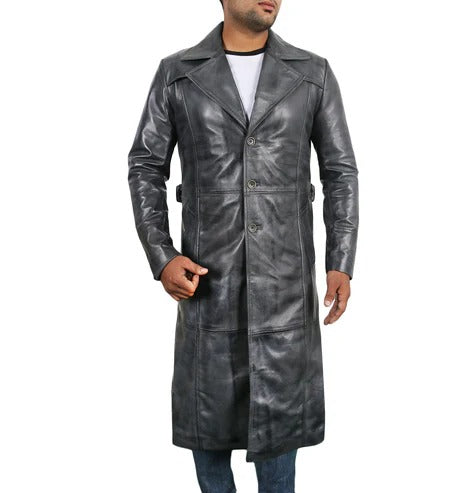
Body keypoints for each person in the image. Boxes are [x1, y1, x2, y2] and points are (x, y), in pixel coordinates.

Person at [128, 0, 359, 491]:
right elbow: (146, 165)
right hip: (209, 284)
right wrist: (162, 256)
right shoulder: (177, 74)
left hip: (285, 286)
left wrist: (341, 260)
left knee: (279, 440)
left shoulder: (312, 73)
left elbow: (339, 172)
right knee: (208, 438)